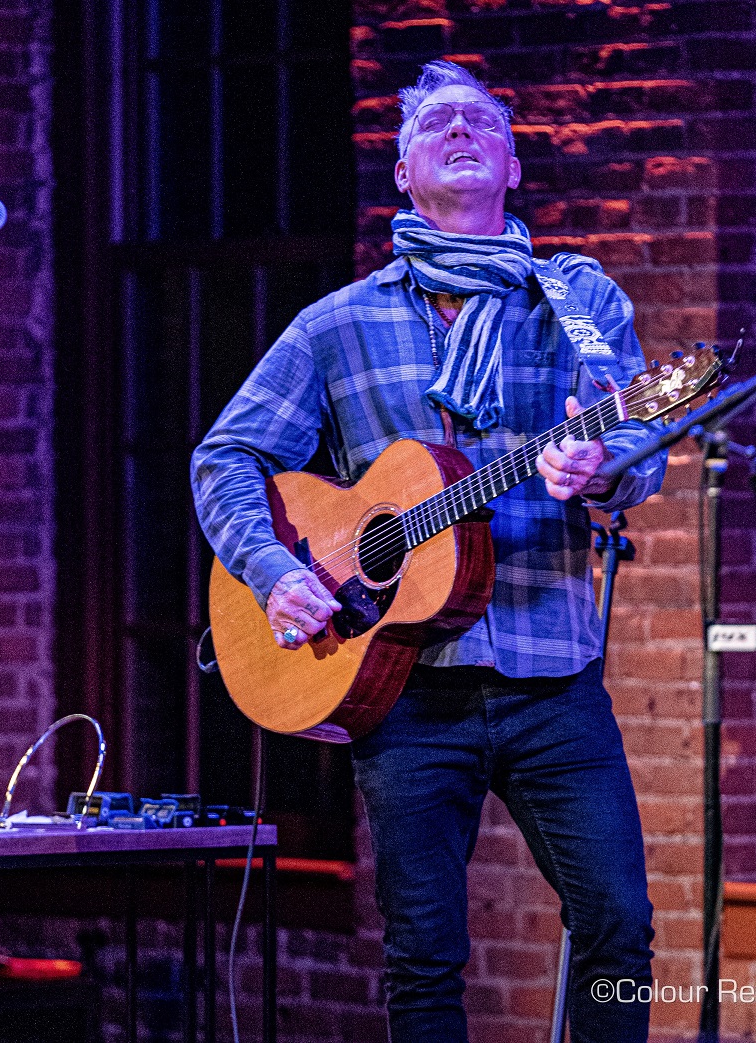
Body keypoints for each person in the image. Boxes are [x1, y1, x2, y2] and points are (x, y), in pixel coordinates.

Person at [192, 60, 666, 1043]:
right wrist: (277, 573)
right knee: (421, 960)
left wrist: (603, 468)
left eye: (481, 123)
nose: (460, 131)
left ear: (512, 165)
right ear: (403, 171)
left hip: (551, 672)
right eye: (436, 124)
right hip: (401, 687)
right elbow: (228, 453)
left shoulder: (573, 299)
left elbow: (634, 447)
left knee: (619, 928)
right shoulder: (338, 323)